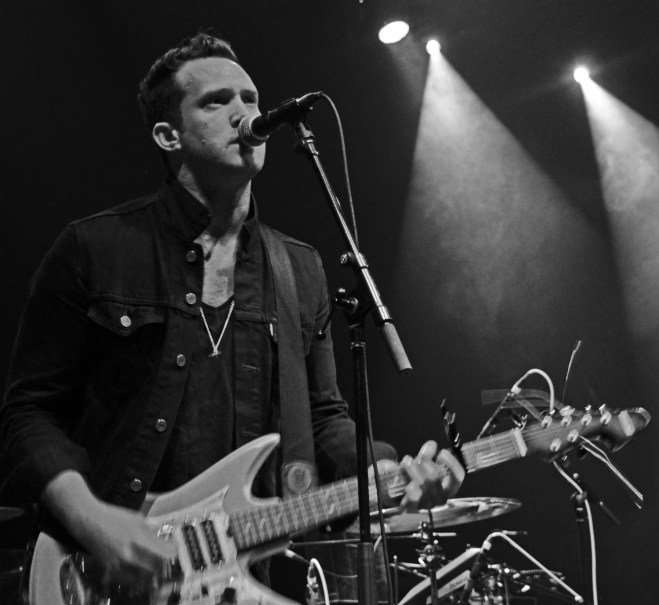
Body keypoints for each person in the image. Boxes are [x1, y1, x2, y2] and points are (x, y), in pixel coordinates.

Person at [0, 33, 464, 592]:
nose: (245, 113)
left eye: (250, 97)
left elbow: (322, 418)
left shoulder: (298, 269)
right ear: (168, 135)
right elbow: (28, 413)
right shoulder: (94, 249)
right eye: (216, 101)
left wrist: (379, 474)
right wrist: (91, 520)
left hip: (237, 578)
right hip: (100, 574)